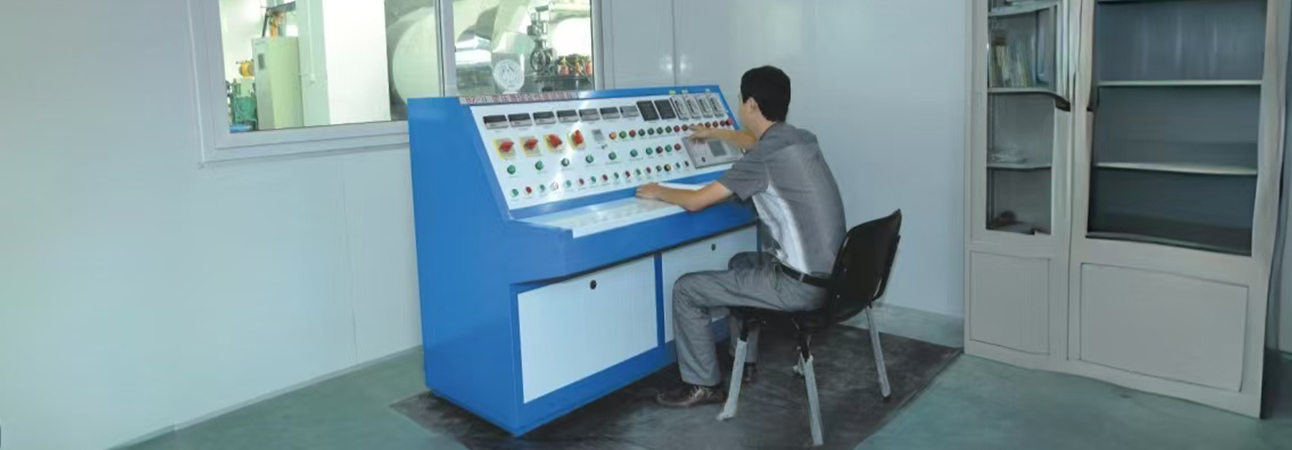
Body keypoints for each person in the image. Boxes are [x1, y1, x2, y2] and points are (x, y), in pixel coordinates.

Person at [635, 66, 847, 407]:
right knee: (740, 262)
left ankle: (703, 385)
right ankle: (743, 362)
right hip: (833, 278)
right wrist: (716, 133)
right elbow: (752, 141)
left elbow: (696, 201)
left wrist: (657, 189)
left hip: (800, 287)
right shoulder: (800, 138)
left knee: (686, 289)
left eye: (740, 100)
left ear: (749, 104)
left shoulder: (763, 159)